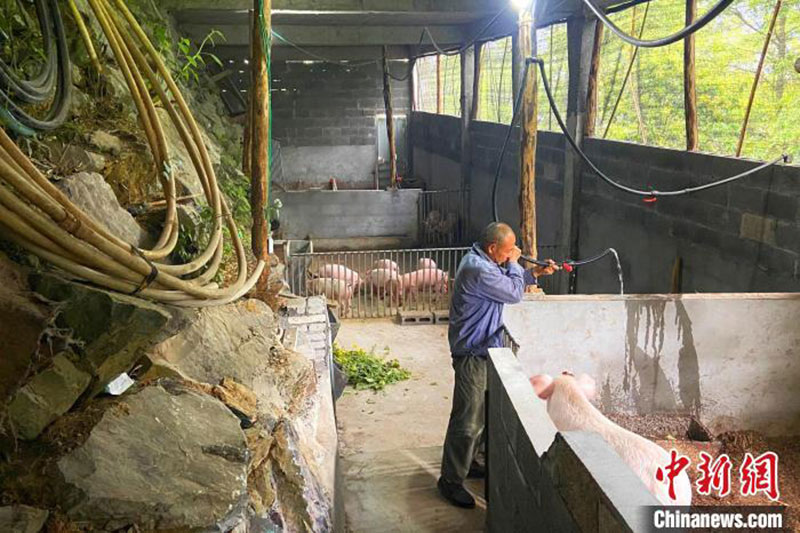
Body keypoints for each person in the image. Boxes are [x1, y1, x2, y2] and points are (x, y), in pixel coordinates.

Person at [437, 222, 560, 508]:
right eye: (506, 252)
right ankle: (450, 480)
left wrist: (533, 272)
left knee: (484, 413)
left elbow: (505, 280)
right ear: (492, 248)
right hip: (471, 353)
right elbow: (513, 293)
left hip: (486, 349)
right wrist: (517, 266)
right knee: (467, 421)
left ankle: (472, 462)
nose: (509, 256)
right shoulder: (477, 269)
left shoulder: (485, 262)